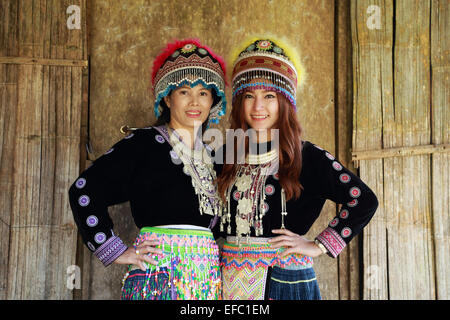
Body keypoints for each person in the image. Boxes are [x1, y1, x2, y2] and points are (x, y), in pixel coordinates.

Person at [215, 38, 379, 300]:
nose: (258, 107)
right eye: (249, 96)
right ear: (238, 102)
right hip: (228, 281)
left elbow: (364, 200)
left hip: (286, 281)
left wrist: (318, 245)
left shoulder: (307, 157)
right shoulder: (225, 155)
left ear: (285, 102)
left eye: (269, 96)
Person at [68, 39, 227, 300]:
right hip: (156, 274)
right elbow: (84, 190)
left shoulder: (213, 155)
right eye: (184, 92)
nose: (194, 102)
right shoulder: (143, 144)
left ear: (213, 101)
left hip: (205, 276)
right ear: (167, 98)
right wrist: (115, 250)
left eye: (203, 93)